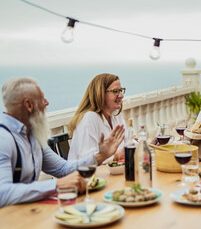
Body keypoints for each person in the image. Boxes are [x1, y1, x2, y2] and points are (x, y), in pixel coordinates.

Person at [0, 77, 124, 208]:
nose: (47, 103)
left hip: (24, 211)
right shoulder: (4, 138)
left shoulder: (32, 135)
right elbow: (2, 193)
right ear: (29, 105)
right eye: (42, 99)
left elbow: (62, 169)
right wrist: (57, 185)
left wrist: (100, 156)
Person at [68, 73, 128, 163]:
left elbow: (127, 143)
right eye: (115, 91)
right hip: (86, 176)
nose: (121, 96)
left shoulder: (116, 115)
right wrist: (117, 156)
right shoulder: (89, 118)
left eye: (121, 90)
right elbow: (86, 160)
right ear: (100, 94)